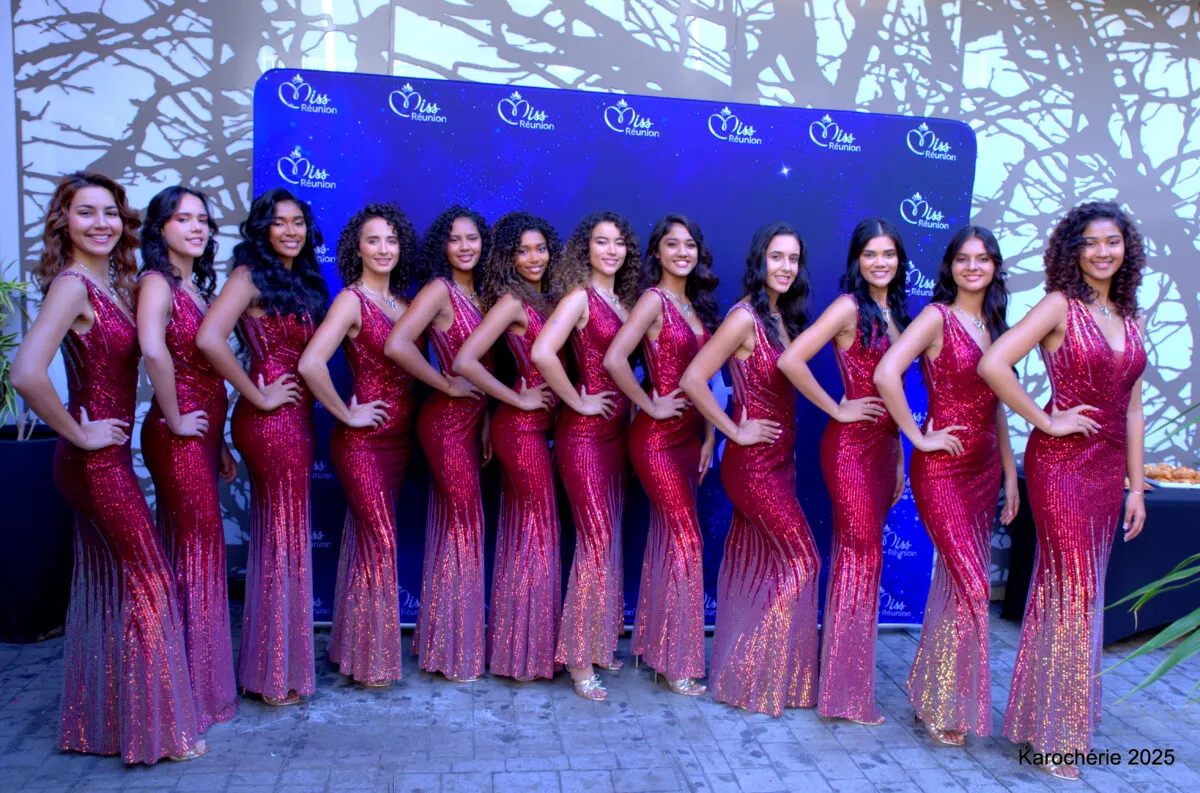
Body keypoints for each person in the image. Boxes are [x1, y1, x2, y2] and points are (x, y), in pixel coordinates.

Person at [12, 171, 204, 763]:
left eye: (110, 213)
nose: (101, 223)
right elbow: (26, 372)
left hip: (105, 460)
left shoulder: (110, 283)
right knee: (152, 579)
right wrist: (77, 431)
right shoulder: (72, 286)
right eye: (85, 212)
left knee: (110, 584)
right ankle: (157, 734)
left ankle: (103, 726)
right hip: (93, 464)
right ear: (63, 221)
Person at [979, 202, 1147, 782]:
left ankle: (1044, 718)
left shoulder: (1130, 315)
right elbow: (994, 363)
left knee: (1076, 591)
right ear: (1072, 250)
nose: (1102, 252)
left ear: (1126, 249)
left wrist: (1135, 486)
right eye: (1090, 242)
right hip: (1061, 465)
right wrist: (1046, 420)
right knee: (1072, 591)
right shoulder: (1058, 305)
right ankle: (1057, 736)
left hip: (1107, 473)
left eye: (1112, 242)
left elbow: (1133, 409)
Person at [873, 226, 1018, 746]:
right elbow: (886, 373)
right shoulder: (937, 317)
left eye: (983, 258)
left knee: (956, 587)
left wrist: (1009, 473)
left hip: (984, 469)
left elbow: (997, 406)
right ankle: (942, 702)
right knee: (974, 587)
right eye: (963, 258)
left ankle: (930, 694)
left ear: (995, 266)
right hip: (942, 470)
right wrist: (916, 437)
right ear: (950, 267)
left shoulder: (995, 324)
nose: (973, 267)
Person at [680, 221, 821, 717]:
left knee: (763, 567)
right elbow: (693, 378)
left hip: (780, 462)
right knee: (804, 562)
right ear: (759, 260)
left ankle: (761, 678)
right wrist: (733, 431)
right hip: (753, 467)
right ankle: (748, 668)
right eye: (776, 257)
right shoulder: (744, 317)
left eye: (793, 259)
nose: (785, 267)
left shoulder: (784, 317)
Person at [196, 188, 328, 706]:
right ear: (262, 230)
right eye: (279, 223)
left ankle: (275, 667)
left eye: (298, 222)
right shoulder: (248, 276)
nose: (290, 231)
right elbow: (210, 338)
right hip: (270, 420)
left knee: (283, 536)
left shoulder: (298, 280)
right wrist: (256, 394)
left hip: (296, 419)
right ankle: (273, 676)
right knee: (280, 537)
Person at [777, 217, 911, 726]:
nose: (880, 262)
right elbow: (792, 360)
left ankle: (844, 681)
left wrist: (899, 457)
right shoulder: (848, 307)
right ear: (857, 259)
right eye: (870, 253)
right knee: (860, 558)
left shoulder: (896, 311)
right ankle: (845, 694)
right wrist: (837, 407)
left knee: (866, 561)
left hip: (883, 450)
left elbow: (896, 394)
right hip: (850, 449)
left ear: (899, 260)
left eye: (889, 254)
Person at [297, 203, 419, 688]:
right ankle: (373, 663)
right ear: (357, 248)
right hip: (362, 444)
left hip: (399, 443)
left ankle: (352, 650)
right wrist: (346, 413)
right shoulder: (351, 300)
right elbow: (311, 363)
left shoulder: (406, 305)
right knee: (381, 541)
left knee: (369, 543)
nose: (384, 249)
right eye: (374, 240)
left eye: (392, 240)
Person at [603, 213, 718, 696]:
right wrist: (649, 404)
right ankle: (675, 663)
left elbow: (704, 377)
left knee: (670, 540)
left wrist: (710, 435)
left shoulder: (694, 305)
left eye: (690, 245)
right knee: (686, 540)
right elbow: (614, 359)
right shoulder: (653, 300)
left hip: (691, 438)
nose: (682, 253)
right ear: (657, 252)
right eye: (672, 244)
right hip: (655, 440)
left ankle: (657, 648)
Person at [137, 185, 238, 732]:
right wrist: (176, 419)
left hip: (201, 435)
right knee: (198, 551)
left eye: (202, 220)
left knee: (194, 550)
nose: (197, 228)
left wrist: (217, 441)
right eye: (183, 219)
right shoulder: (156, 281)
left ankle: (190, 683)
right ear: (161, 229)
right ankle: (190, 693)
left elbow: (203, 367)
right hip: (176, 436)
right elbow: (154, 349)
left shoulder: (194, 286)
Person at [531, 210, 640, 701]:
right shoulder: (580, 297)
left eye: (619, 242)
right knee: (595, 541)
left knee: (607, 540)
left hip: (616, 437)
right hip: (583, 439)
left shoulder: (624, 301)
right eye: (601, 242)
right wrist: (576, 401)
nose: (611, 250)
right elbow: (542, 353)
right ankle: (577, 661)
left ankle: (596, 641)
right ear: (585, 249)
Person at [452, 211, 561, 681]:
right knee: (537, 529)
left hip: (536, 429)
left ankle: (520, 650)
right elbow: (465, 360)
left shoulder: (549, 298)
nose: (534, 258)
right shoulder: (513, 302)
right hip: (518, 429)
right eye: (522, 251)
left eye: (540, 248)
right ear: (508, 257)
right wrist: (517, 398)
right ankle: (527, 656)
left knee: (528, 531)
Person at [385, 205, 492, 683]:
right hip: (445, 423)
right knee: (464, 524)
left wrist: (485, 419)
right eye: (455, 239)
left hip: (474, 423)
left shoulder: (486, 294)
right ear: (441, 247)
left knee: (458, 526)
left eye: (472, 238)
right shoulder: (439, 291)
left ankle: (446, 644)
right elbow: (397, 344)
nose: (465, 247)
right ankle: (454, 653)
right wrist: (445, 384)